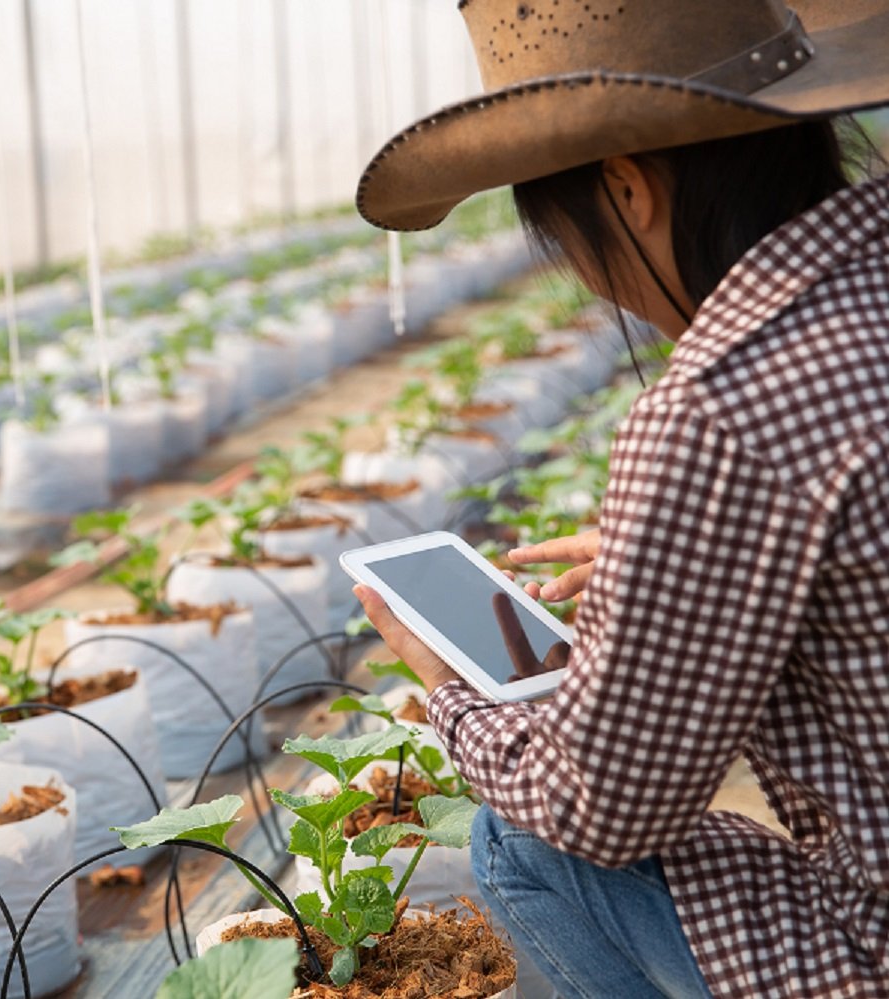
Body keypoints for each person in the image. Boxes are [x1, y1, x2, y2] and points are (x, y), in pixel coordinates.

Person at [351, 2, 889, 997]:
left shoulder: (725, 409)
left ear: (629, 189)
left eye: (568, 243)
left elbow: (605, 809)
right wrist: (707, 563)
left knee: (527, 843)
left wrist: (453, 695)